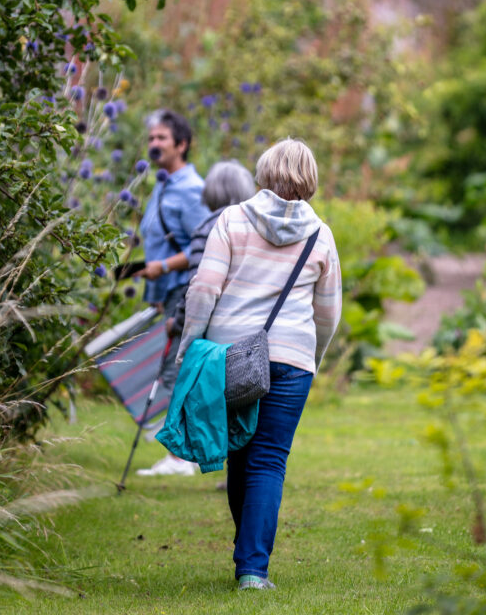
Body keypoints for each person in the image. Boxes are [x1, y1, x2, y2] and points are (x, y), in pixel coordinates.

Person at [176, 138, 342, 590]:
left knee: (239, 456)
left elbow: (204, 289)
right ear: (310, 179)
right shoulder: (320, 234)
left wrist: (190, 343)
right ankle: (252, 568)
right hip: (292, 361)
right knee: (269, 461)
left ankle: (248, 555)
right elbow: (328, 313)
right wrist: (312, 356)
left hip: (231, 355)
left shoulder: (232, 219)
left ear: (263, 173)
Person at [136, 109, 210, 477]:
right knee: (171, 370)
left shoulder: (192, 190)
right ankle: (183, 452)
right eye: (151, 138)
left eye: (162, 138)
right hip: (166, 292)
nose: (154, 144)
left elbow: (203, 247)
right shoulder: (162, 185)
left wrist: (163, 269)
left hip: (185, 292)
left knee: (177, 371)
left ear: (181, 144)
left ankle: (181, 458)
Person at [167, 159, 256, 346]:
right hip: (254, 334)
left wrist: (177, 324)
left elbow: (199, 287)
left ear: (212, 191)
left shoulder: (207, 229)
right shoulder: (257, 228)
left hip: (215, 338)